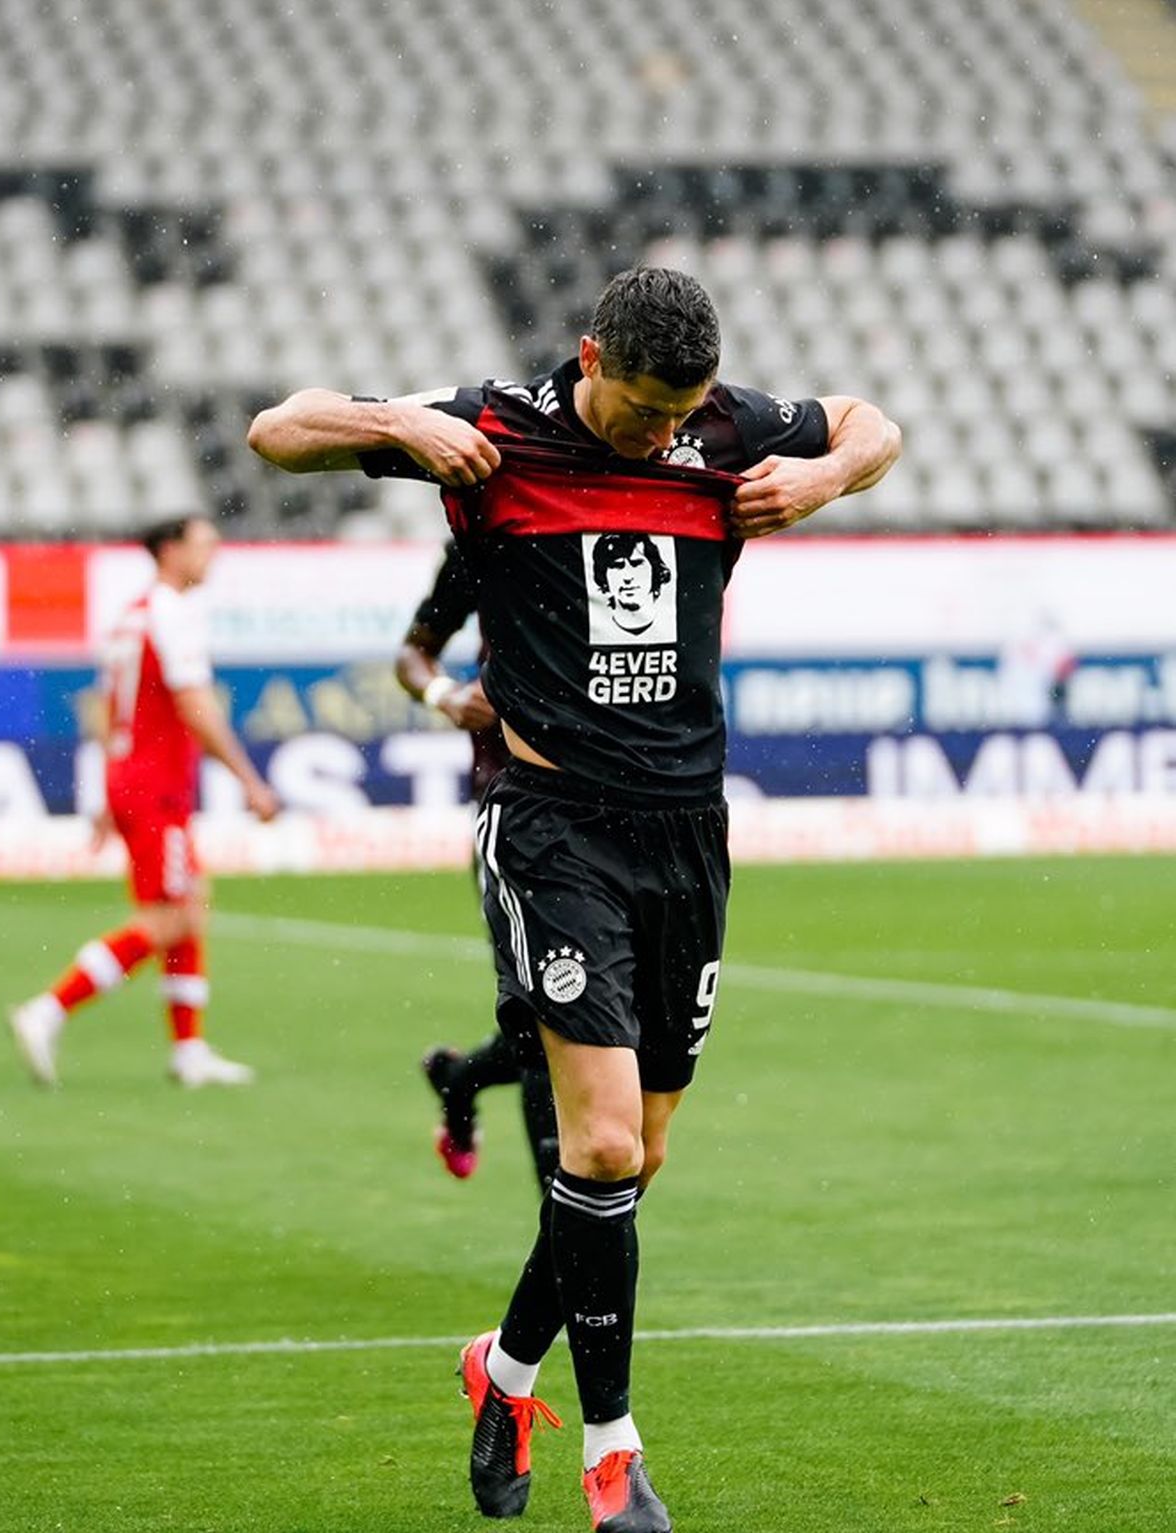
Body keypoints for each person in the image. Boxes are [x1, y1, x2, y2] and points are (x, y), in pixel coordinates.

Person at [249, 267, 900, 1532]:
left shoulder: (721, 429)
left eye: (684, 415)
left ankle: (500, 1371)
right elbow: (281, 426)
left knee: (637, 1160)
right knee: (599, 1147)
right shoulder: (493, 429)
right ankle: (615, 1460)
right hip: (552, 827)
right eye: (646, 412)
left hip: (688, 832)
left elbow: (872, 422)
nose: (666, 437)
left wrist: (826, 478)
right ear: (592, 357)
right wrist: (399, 422)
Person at [9, 514, 280, 1089]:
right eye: (203, 546)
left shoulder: (133, 617)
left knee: (189, 901)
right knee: (167, 916)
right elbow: (195, 707)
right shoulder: (172, 614)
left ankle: (189, 1051)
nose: (212, 557)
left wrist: (110, 788)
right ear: (170, 551)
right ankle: (48, 1010)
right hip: (157, 787)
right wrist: (249, 780)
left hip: (135, 781)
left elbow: (113, 709)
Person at [395, 540, 559, 1191]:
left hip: (622, 813)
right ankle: (567, 1231)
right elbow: (414, 651)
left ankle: (460, 1078)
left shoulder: (633, 516)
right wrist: (443, 693)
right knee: (552, 1021)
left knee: (602, 1029)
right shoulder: (489, 537)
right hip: (516, 810)